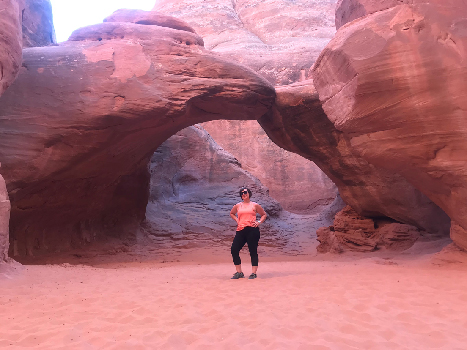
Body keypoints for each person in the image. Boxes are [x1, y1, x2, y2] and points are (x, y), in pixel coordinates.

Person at [229, 187, 267, 279]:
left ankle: (253, 273)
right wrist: (237, 220)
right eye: (241, 193)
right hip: (241, 230)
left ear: (249, 193)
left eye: (245, 192)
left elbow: (264, 215)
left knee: (252, 251)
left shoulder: (255, 205)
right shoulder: (238, 206)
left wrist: (258, 222)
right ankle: (239, 272)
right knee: (234, 249)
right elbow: (232, 213)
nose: (243, 194)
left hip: (252, 230)